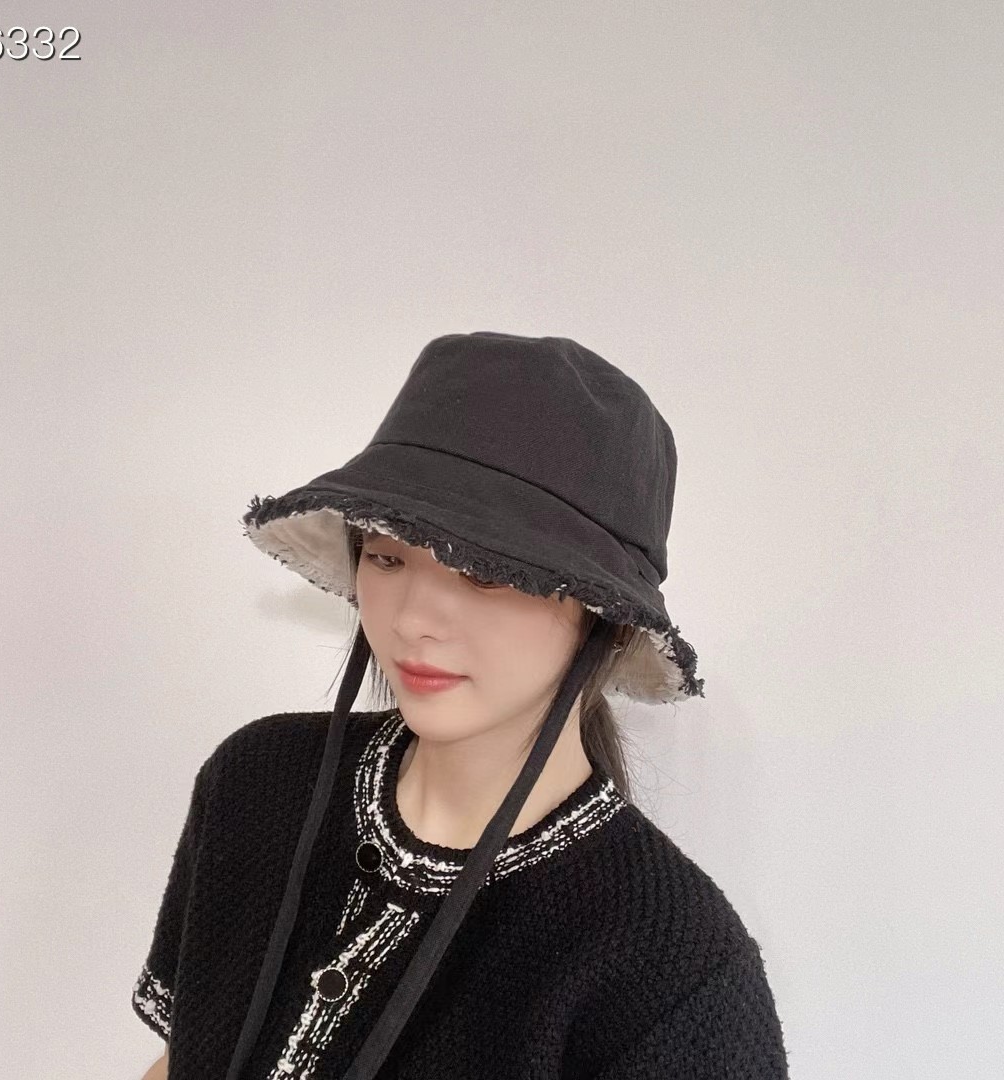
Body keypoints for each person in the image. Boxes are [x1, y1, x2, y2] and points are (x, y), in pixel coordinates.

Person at [131, 331, 790, 1079]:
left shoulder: (675, 973)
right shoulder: (256, 783)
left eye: (484, 574)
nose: (413, 618)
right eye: (387, 556)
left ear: (600, 613)